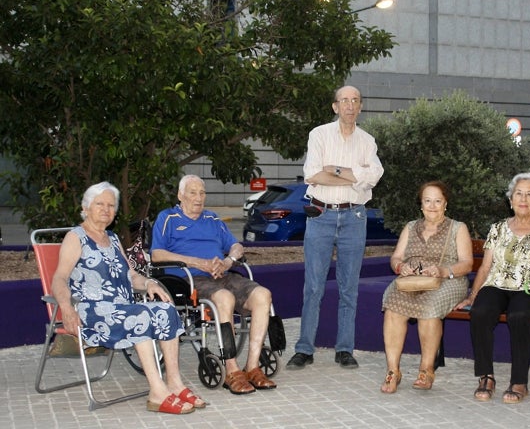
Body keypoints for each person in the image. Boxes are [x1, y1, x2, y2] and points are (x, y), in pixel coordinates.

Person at [51, 182, 204, 415]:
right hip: (93, 312)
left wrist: (150, 283)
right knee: (140, 315)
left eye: (111, 205)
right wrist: (66, 308)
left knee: (165, 310)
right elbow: (59, 278)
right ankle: (157, 392)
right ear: (86, 207)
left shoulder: (112, 238)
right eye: (100, 204)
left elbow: (130, 275)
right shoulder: (76, 238)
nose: (106, 209)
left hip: (121, 308)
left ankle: (174, 383)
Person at [286, 85, 384, 370]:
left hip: (354, 218)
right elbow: (312, 175)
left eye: (355, 100)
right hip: (320, 216)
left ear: (361, 106)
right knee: (313, 286)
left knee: (348, 288)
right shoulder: (319, 135)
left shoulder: (368, 141)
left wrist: (335, 170)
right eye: (345, 100)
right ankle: (304, 349)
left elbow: (374, 176)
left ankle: (345, 349)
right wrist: (355, 178)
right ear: (335, 106)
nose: (350, 105)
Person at [150, 174, 275, 395]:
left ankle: (253, 367)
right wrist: (198, 262)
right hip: (189, 278)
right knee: (225, 297)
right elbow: (157, 254)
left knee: (263, 295)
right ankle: (232, 370)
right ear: (180, 195)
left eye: (202, 192)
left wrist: (228, 261)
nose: (199, 198)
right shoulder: (168, 218)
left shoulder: (213, 219)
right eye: (192, 192)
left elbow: (236, 246)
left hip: (222, 275)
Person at [455, 172, 530, 404]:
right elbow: (486, 267)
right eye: (519, 194)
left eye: (529, 194)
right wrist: (472, 295)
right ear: (511, 200)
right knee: (481, 312)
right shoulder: (497, 228)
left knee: (520, 315)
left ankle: (519, 381)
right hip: (497, 284)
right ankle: (486, 376)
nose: (523, 199)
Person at [380, 181, 473, 393]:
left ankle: (426, 370)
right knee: (393, 304)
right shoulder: (411, 227)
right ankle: (393, 371)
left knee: (429, 308)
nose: (432, 206)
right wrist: (400, 266)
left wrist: (442, 271)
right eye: (427, 201)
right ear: (421, 204)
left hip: (448, 279)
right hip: (411, 280)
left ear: (445, 204)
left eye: (437, 201)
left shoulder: (458, 228)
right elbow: (395, 257)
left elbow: (467, 264)